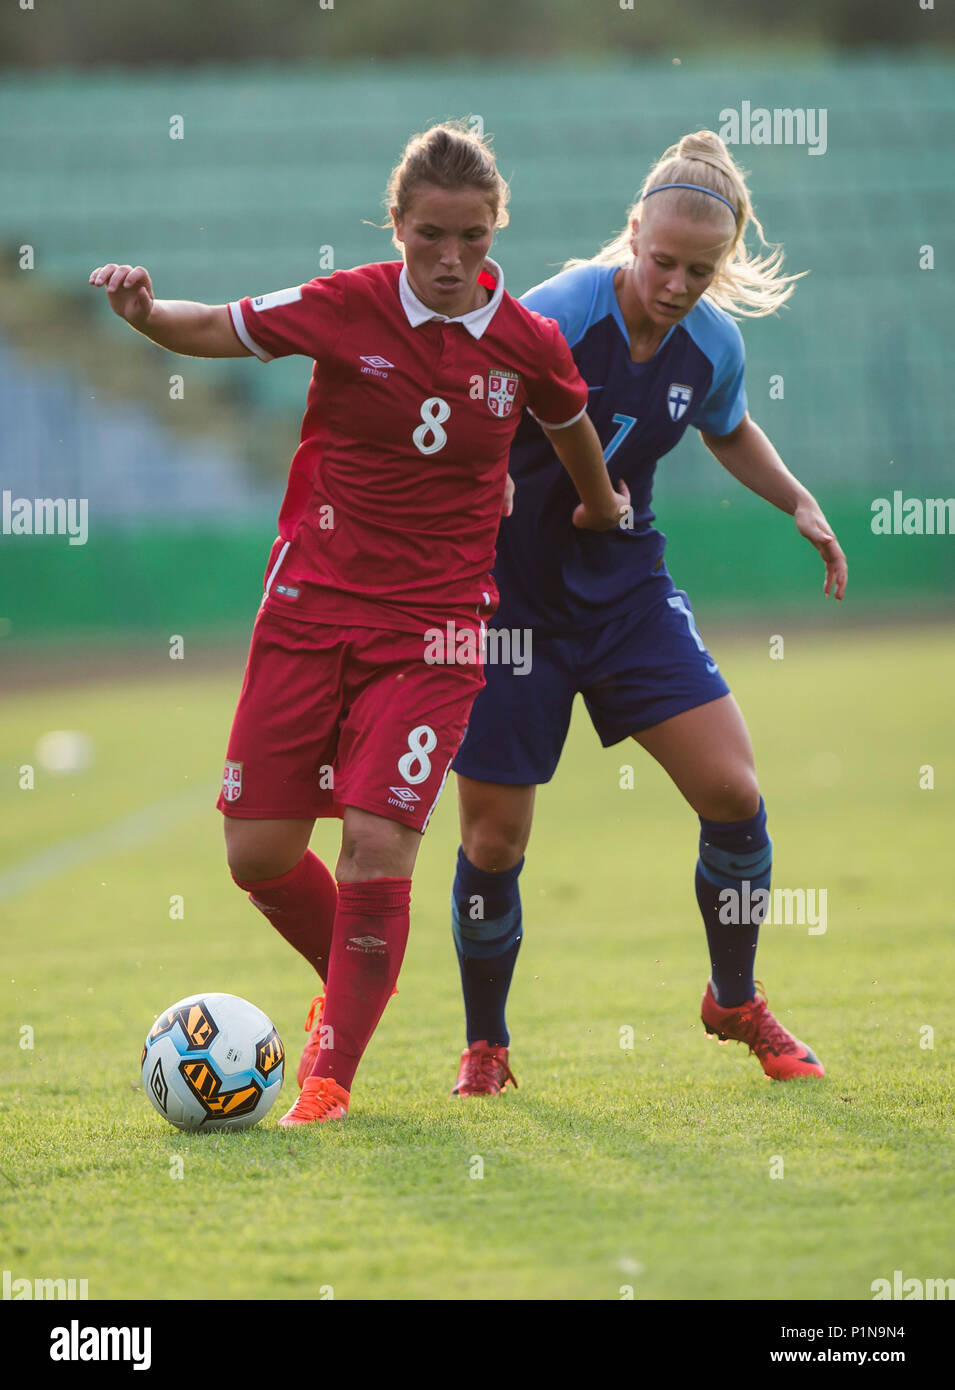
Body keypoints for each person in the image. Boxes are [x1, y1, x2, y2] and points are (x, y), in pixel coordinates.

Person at [89, 121, 629, 1126]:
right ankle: (355, 974)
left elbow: (569, 423)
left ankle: (328, 1080)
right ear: (396, 227)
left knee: (379, 842)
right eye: (431, 234)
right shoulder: (347, 305)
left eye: (472, 236)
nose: (452, 258)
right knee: (255, 854)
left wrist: (599, 502)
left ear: (494, 229)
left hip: (435, 631)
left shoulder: (527, 340)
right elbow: (217, 326)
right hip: (308, 609)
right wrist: (143, 312)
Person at [448, 129, 848, 1096]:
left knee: (734, 794)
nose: (674, 283)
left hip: (623, 592)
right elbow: (468, 403)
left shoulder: (712, 340)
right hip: (508, 602)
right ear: (631, 233)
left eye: (699, 269)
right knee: (493, 841)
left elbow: (728, 422)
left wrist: (794, 498)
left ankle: (733, 999)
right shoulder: (556, 312)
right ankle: (486, 1047)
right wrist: (478, 488)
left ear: (726, 263)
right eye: (661, 260)